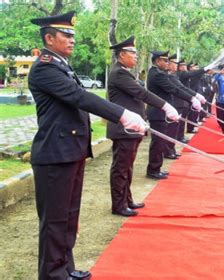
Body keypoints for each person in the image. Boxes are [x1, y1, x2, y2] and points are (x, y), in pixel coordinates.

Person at [28, 11, 146, 280]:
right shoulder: (45, 67)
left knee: (68, 217)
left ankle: (65, 268)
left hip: (69, 150)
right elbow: (78, 96)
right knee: (55, 221)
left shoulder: (61, 65)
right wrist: (122, 114)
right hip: (54, 154)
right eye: (66, 35)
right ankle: (53, 274)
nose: (72, 40)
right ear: (49, 38)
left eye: (73, 35)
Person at [107, 36, 179, 217]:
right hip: (124, 128)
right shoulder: (118, 73)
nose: (136, 57)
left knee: (128, 167)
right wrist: (164, 105)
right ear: (122, 54)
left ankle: (126, 199)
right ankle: (118, 205)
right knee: (121, 168)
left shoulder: (124, 72)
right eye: (133, 53)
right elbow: (141, 92)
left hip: (131, 128)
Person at [146, 51, 204, 179]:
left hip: (161, 112)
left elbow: (178, 87)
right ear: (157, 61)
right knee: (158, 143)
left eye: (168, 61)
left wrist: (193, 96)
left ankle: (156, 168)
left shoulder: (158, 73)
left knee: (160, 142)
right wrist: (192, 98)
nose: (168, 63)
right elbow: (174, 89)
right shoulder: (157, 75)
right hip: (158, 112)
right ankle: (153, 170)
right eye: (165, 61)